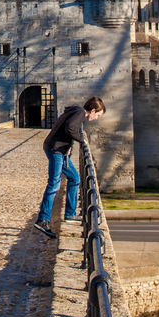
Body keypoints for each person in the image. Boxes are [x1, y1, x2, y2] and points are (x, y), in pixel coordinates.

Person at [33, 97, 106, 238]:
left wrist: (70, 145)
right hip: (56, 150)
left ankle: (70, 213)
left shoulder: (76, 110)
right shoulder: (79, 113)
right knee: (54, 183)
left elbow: (67, 128)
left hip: (59, 149)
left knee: (74, 177)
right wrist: (82, 140)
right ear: (92, 110)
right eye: (97, 115)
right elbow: (71, 128)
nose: (96, 118)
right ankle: (42, 219)